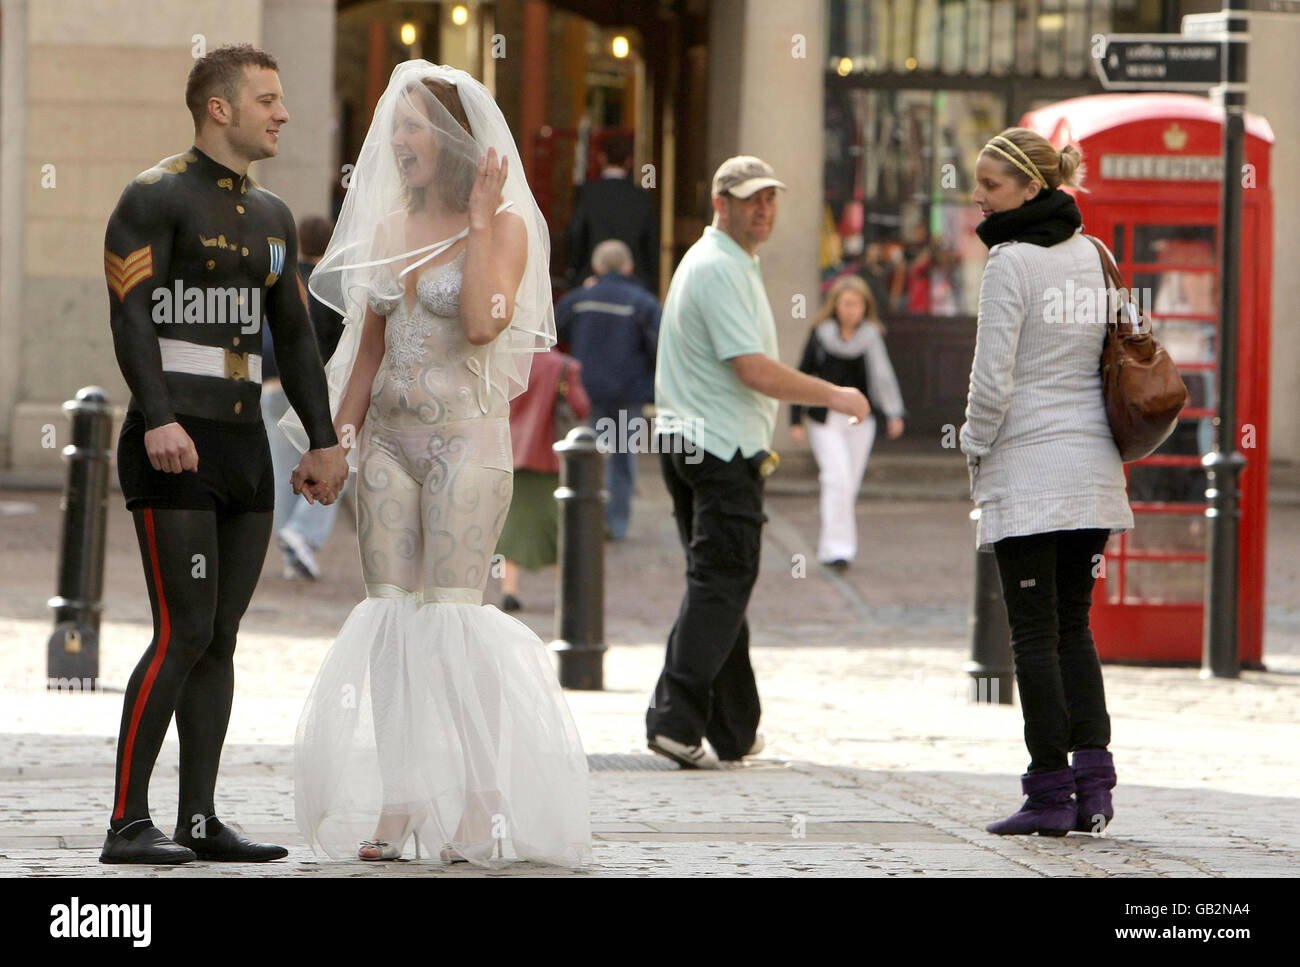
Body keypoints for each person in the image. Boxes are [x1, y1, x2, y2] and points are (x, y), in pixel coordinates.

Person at [283, 62, 591, 867]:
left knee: (453, 611)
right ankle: (402, 795)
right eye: (396, 125)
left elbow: (488, 323)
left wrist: (485, 220)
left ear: (452, 140)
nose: (398, 138)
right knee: (390, 616)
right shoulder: (387, 230)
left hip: (466, 443)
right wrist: (334, 442)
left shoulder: (507, 225)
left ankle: (482, 800)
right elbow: (367, 353)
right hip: (385, 440)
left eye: (414, 124)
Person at [100, 44, 348, 864]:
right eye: (268, 100)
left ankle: (199, 818)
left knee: (223, 635)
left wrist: (323, 440)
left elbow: (297, 339)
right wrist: (158, 416)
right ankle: (127, 822)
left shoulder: (275, 216)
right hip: (175, 440)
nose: (282, 113)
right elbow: (131, 315)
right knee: (183, 627)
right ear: (220, 108)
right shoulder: (154, 195)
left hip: (245, 441)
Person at [646, 156, 869, 770]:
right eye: (750, 199)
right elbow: (752, 369)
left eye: (770, 198)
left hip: (700, 442)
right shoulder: (718, 267)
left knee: (723, 582)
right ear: (721, 203)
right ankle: (672, 719)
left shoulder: (725, 262)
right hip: (717, 449)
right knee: (721, 581)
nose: (763, 209)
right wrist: (833, 393)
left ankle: (735, 729)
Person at [961, 128, 1134, 836]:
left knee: (1032, 635)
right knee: (1073, 627)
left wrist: (972, 448)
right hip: (1091, 471)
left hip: (1029, 472)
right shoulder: (1095, 253)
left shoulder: (1010, 262)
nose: (978, 196)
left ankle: (1047, 795)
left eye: (991, 185)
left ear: (1030, 188)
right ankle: (1093, 787)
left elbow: (991, 380)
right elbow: (1125, 342)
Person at [790, 275, 905, 569]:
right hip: (824, 419)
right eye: (846, 303)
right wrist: (795, 420)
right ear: (835, 305)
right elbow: (802, 375)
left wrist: (893, 413)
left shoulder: (871, 337)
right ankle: (838, 550)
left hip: (859, 422)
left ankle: (833, 545)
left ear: (865, 307)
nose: (851, 310)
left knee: (848, 485)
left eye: (857, 304)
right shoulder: (821, 334)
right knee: (836, 479)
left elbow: (883, 377)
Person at [555, 239, 661, 541]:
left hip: (588, 390)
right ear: (628, 267)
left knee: (589, 452)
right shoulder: (642, 302)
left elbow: (553, 331)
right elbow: (660, 345)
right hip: (629, 392)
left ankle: (587, 517)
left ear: (596, 266)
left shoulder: (579, 300)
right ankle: (615, 524)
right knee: (622, 456)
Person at [263, 215, 346, 580]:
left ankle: (291, 550)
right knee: (333, 464)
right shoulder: (331, 285)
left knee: (286, 472)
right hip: (315, 391)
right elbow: (335, 343)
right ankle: (303, 534)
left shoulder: (279, 276)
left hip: (272, 388)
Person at [495, 347, 592, 612]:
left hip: (509, 450)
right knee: (557, 525)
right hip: (547, 455)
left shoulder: (507, 360)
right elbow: (580, 406)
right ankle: (568, 590)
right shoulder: (564, 366)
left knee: (511, 524)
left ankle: (509, 589)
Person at [566, 133, 658, 291]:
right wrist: (651, 281)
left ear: (601, 158)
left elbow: (576, 233)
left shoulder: (587, 193)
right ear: (630, 161)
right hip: (634, 281)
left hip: (592, 279)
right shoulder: (642, 197)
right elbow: (651, 243)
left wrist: (574, 272)